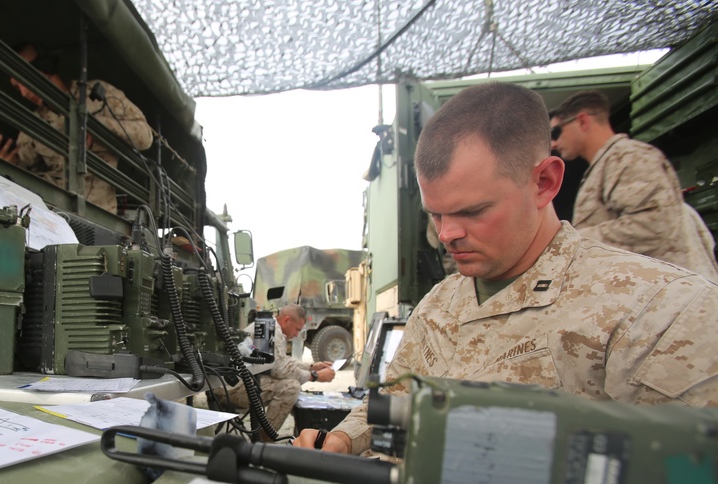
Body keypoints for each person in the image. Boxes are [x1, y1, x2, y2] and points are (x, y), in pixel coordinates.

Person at [294, 82, 718, 455]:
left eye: (472, 211)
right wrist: (345, 439)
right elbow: (393, 399)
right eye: (435, 215)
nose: (447, 234)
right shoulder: (441, 301)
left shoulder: (658, 310)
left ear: (545, 183)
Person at [550, 90, 718, 280]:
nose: (554, 143)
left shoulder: (630, 157)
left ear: (582, 121)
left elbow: (653, 224)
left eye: (556, 132)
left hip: (669, 295)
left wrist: (573, 240)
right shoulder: (607, 165)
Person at [0, 44, 153, 214]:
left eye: (23, 80)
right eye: (17, 87)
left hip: (96, 216)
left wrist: (95, 128)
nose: (23, 93)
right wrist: (11, 164)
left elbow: (145, 136)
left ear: (45, 66)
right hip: (52, 215)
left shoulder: (94, 95)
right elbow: (28, 170)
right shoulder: (33, 123)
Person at [222, 304, 336, 440]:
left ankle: (266, 435)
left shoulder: (272, 327)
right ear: (287, 320)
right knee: (291, 387)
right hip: (231, 389)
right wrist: (314, 376)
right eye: (296, 329)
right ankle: (264, 439)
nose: (295, 335)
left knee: (290, 382)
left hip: (234, 384)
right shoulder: (271, 329)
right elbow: (280, 369)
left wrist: (311, 367)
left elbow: (279, 361)